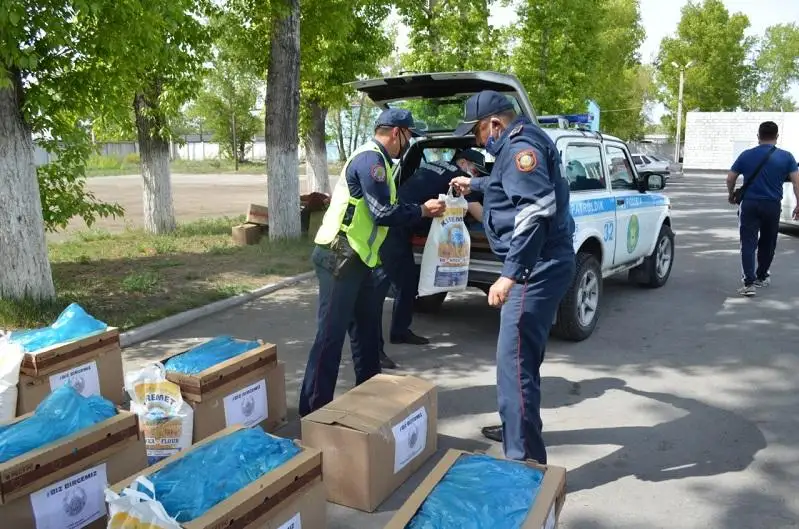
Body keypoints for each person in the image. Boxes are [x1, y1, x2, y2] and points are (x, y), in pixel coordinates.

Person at [449, 90, 576, 464]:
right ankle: (516, 428)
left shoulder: (523, 149)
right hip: (539, 265)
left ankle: (524, 463)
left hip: (534, 270)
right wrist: (473, 185)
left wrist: (510, 274)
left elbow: (535, 211)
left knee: (514, 366)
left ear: (494, 124)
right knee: (522, 362)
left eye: (476, 134)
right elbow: (507, 185)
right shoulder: (519, 144)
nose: (477, 142)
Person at [298, 109, 446, 417]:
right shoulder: (371, 161)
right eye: (408, 138)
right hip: (339, 256)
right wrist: (421, 211)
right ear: (396, 133)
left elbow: (388, 205)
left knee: (366, 332)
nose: (407, 145)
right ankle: (313, 411)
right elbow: (381, 212)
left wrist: (417, 209)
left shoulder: (381, 161)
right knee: (330, 336)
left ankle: (369, 399)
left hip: (359, 258)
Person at [376, 149, 488, 369]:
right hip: (393, 228)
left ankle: (400, 331)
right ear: (463, 163)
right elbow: (481, 215)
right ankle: (374, 351)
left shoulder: (433, 165)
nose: (474, 178)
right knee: (375, 293)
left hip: (400, 222)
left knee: (407, 283)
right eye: (474, 172)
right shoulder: (457, 178)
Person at [726, 121, 799, 297]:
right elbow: (796, 182)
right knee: (768, 242)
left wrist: (731, 194)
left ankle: (749, 283)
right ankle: (761, 276)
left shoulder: (746, 155)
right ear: (777, 136)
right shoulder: (787, 157)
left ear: (758, 136)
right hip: (772, 205)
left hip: (749, 204)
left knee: (748, 243)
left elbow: (730, 178)